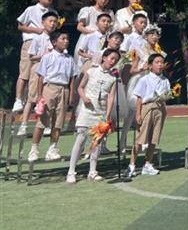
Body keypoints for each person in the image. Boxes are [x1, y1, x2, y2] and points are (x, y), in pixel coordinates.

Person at [66, 48, 120, 183]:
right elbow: (80, 87)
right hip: (88, 109)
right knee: (80, 139)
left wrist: (108, 114)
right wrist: (84, 98)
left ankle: (92, 171)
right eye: (111, 58)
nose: (113, 62)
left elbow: (111, 96)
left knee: (97, 141)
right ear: (104, 58)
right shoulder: (91, 71)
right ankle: (71, 171)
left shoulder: (113, 78)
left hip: (101, 112)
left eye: (116, 60)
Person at [27, 30, 77, 162]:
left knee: (59, 121)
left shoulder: (70, 59)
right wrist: (40, 96)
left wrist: (71, 94)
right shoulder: (47, 57)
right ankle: (34, 149)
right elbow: (41, 77)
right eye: (63, 38)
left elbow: (72, 78)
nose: (66, 41)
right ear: (54, 42)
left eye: (67, 39)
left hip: (64, 89)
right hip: (49, 88)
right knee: (43, 120)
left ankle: (52, 148)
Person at [14, 0, 57, 113]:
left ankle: (35, 101)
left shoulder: (54, 12)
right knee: (25, 72)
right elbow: (20, 26)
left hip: (47, 43)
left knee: (41, 74)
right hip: (31, 42)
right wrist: (36, 30)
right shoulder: (31, 9)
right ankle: (18, 99)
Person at [128, 53, 170, 178]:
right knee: (140, 139)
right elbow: (139, 98)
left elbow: (167, 95)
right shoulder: (144, 79)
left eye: (161, 62)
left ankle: (147, 164)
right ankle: (131, 165)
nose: (160, 65)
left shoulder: (165, 80)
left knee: (153, 138)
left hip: (160, 108)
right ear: (150, 66)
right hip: (147, 107)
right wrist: (138, 114)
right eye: (157, 62)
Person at [17, 10, 58, 136]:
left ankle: (46, 125)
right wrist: (45, 55)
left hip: (51, 72)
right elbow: (31, 57)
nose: (52, 24)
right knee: (32, 97)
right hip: (38, 69)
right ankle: (23, 125)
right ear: (43, 22)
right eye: (50, 21)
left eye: (55, 22)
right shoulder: (38, 38)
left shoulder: (57, 39)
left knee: (49, 98)